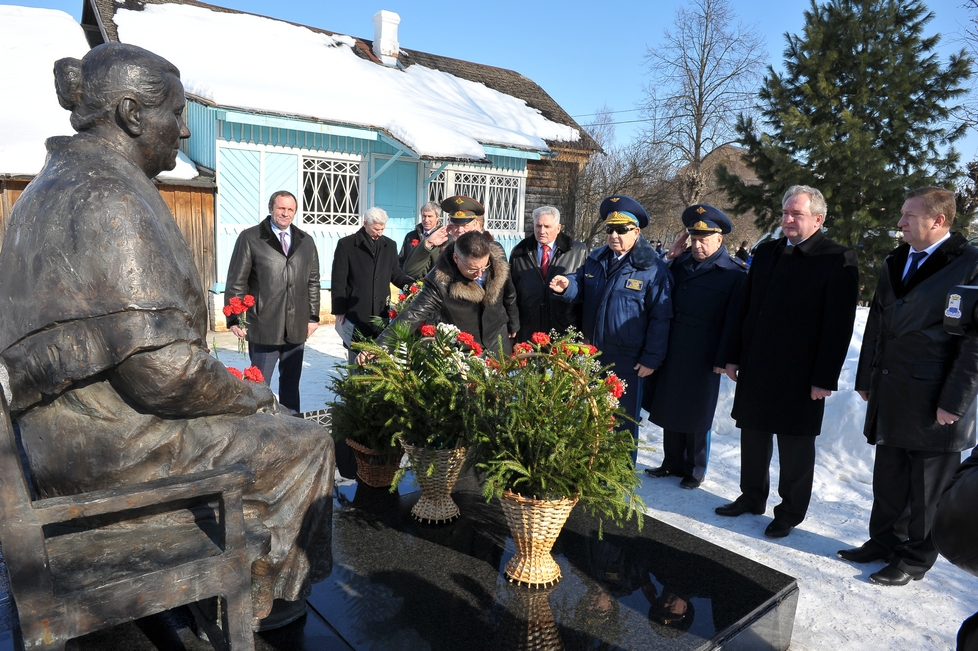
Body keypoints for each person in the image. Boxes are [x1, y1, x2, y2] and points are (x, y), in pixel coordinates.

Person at [0, 43, 333, 629]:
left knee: (268, 426)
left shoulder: (45, 188)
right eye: (176, 114)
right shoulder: (110, 197)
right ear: (131, 114)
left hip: (60, 439)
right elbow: (163, 374)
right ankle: (263, 597)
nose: (183, 132)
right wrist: (250, 395)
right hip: (107, 449)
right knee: (302, 443)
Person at [843, 186, 978, 586]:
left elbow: (974, 343)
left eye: (908, 215)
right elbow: (879, 324)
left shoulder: (970, 264)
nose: (899, 222)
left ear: (938, 220)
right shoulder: (896, 260)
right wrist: (867, 375)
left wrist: (953, 402)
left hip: (936, 396)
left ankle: (915, 559)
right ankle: (883, 542)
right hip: (892, 388)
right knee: (890, 479)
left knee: (927, 491)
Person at [716, 185, 858, 539]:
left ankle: (790, 512)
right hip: (758, 363)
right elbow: (745, 308)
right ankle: (751, 496)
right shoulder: (767, 252)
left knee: (795, 446)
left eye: (797, 214)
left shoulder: (837, 258)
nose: (788, 220)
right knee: (753, 435)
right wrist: (732, 355)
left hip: (801, 371)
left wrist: (824, 377)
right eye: (785, 213)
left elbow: (838, 326)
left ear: (818, 219)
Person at [550, 195, 673, 456]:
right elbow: (581, 284)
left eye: (622, 230)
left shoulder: (652, 268)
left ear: (637, 232)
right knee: (590, 419)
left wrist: (652, 358)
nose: (614, 235)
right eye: (610, 229)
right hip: (592, 354)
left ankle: (620, 481)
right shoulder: (596, 259)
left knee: (622, 423)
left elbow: (660, 317)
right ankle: (590, 476)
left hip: (627, 359)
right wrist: (567, 285)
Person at [644, 205, 747, 489]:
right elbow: (653, 283)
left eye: (704, 238)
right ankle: (671, 461)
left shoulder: (734, 273)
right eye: (694, 238)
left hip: (706, 349)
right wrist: (669, 257)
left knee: (698, 410)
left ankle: (695, 467)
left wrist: (724, 356)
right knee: (671, 402)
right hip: (675, 344)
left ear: (719, 239)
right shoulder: (680, 263)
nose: (697, 244)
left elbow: (733, 320)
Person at [225, 190, 321, 413]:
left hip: (296, 325)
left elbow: (313, 281)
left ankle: (293, 428)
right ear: (271, 208)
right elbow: (237, 281)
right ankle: (260, 428)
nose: (285, 214)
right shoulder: (250, 238)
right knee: (259, 386)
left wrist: (313, 316)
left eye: (290, 210)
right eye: (281, 208)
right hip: (263, 324)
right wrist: (234, 318)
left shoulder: (306, 241)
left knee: (291, 385)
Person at [377, 228, 519, 355]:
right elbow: (414, 313)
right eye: (472, 269)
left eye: (484, 266)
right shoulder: (439, 280)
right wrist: (379, 347)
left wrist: (513, 325)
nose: (480, 274)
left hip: (499, 341)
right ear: (456, 258)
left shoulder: (497, 255)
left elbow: (509, 293)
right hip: (466, 350)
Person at [331, 207, 415, 363]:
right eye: (376, 229)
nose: (379, 233)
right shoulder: (347, 245)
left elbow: (395, 273)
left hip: (381, 311)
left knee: (378, 354)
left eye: (382, 229)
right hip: (355, 310)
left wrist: (410, 285)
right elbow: (338, 279)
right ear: (365, 223)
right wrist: (339, 309)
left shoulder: (389, 245)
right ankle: (355, 386)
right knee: (356, 356)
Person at [509, 205, 587, 342]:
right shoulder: (519, 252)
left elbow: (586, 290)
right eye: (538, 226)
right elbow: (511, 292)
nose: (542, 231)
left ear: (558, 228)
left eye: (547, 226)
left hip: (564, 330)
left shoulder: (577, 251)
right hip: (529, 330)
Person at [402, 195, 489, 278]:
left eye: (465, 225)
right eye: (455, 225)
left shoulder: (489, 250)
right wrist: (428, 243)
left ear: (475, 225)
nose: (459, 230)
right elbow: (410, 272)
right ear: (449, 226)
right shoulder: (442, 249)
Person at [398, 200, 441, 268]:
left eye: (430, 216)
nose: (426, 220)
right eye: (424, 216)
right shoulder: (410, 236)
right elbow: (401, 260)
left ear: (437, 217)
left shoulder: (444, 238)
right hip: (411, 277)